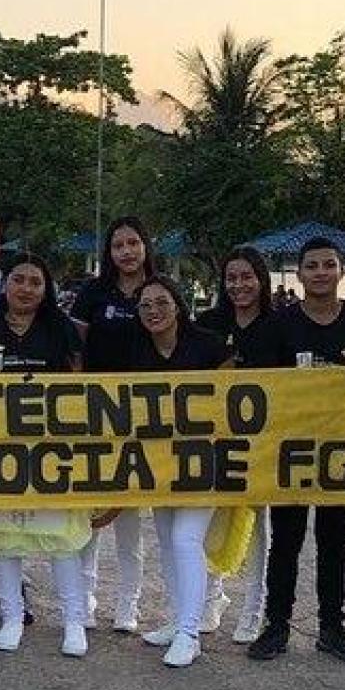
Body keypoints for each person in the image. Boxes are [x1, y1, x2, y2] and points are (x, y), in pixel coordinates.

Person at [243, 237, 345, 665]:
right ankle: (276, 624)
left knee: (333, 541)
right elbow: (260, 385)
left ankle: (331, 628)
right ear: (299, 274)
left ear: (341, 271)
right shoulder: (279, 324)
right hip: (290, 448)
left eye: (328, 265)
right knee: (286, 539)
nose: (320, 272)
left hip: (339, 449)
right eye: (312, 266)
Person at [0, 252, 88, 656]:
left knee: (62, 537)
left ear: (46, 289)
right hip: (1, 449)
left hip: (51, 449)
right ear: (5, 284)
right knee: (7, 536)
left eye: (36, 282)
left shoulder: (62, 328)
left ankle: (73, 621)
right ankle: (12, 616)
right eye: (19, 279)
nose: (26, 288)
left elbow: (78, 387)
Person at [131, 275, 233, 668]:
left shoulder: (209, 345)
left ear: (178, 305)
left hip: (203, 463)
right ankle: (178, 619)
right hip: (160, 465)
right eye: (145, 305)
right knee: (168, 541)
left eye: (162, 302)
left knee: (186, 538)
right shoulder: (137, 351)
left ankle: (191, 633)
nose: (154, 311)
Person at [70, 216, 157, 632]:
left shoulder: (157, 291)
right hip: (94, 412)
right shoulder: (93, 292)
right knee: (89, 516)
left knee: (128, 521)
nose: (126, 251)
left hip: (140, 415)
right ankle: (85, 602)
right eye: (118, 245)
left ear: (145, 247)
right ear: (109, 252)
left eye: (133, 243)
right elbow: (75, 349)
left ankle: (128, 606)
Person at [199, 246, 278, 643]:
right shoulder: (208, 324)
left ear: (261, 279)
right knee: (211, 522)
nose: (239, 285)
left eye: (247, 276)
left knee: (258, 526)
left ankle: (254, 609)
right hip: (214, 440)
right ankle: (212, 599)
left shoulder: (280, 324)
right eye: (231, 278)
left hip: (262, 444)